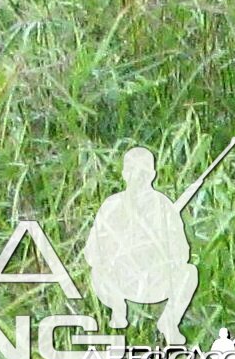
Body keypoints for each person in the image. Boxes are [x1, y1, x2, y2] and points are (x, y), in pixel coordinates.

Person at [85, 147, 198, 346]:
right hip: (119, 282)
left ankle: (169, 322)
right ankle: (117, 311)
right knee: (97, 272)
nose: (138, 176)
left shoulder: (164, 206)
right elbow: (92, 252)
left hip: (155, 282)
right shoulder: (112, 205)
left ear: (153, 174)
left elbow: (183, 254)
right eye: (133, 170)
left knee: (189, 273)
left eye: (143, 171)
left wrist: (159, 252)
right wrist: (118, 256)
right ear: (124, 173)